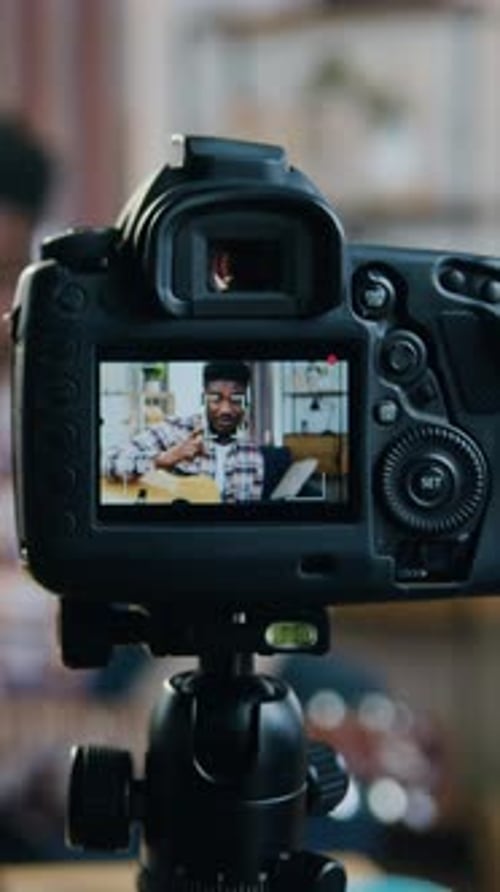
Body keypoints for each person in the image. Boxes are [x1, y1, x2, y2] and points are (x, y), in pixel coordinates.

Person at [106, 360, 264, 503]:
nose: (225, 410)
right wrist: (163, 459)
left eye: (236, 400)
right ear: (204, 399)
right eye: (216, 399)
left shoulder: (253, 455)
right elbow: (107, 462)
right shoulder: (175, 431)